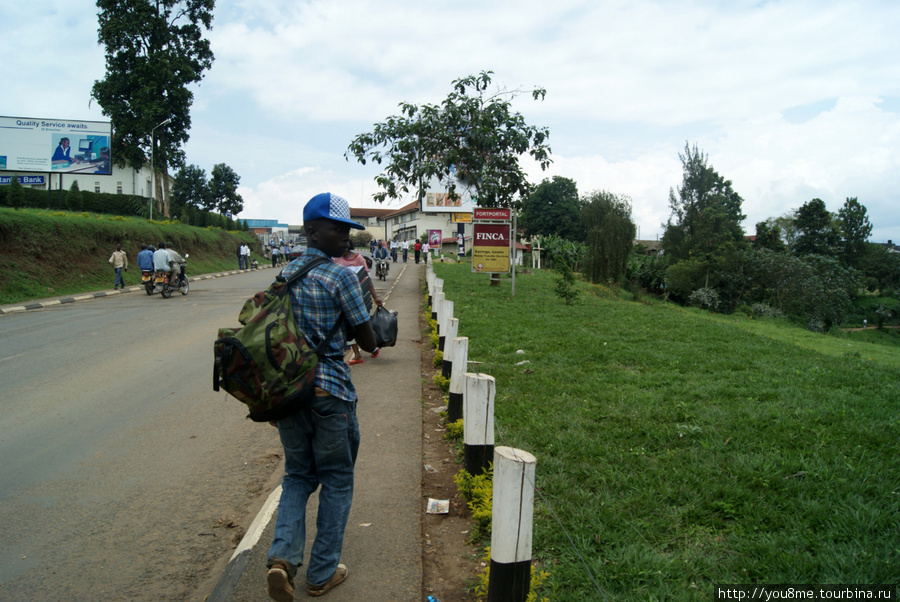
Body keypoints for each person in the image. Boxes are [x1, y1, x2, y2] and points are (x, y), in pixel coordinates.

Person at [265, 192, 377, 601]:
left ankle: (281, 558)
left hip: (290, 393)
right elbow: (367, 339)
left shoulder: (282, 278)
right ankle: (321, 573)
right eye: (336, 229)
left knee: (297, 476)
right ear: (311, 231)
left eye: (348, 229)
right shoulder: (342, 277)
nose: (345, 237)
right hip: (330, 391)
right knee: (336, 480)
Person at [333, 242, 383, 364]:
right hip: (343, 299)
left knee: (363, 322)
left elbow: (367, 279)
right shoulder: (336, 260)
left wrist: (375, 297)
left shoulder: (359, 258)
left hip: (359, 297)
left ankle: (372, 346)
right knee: (348, 325)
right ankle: (357, 354)